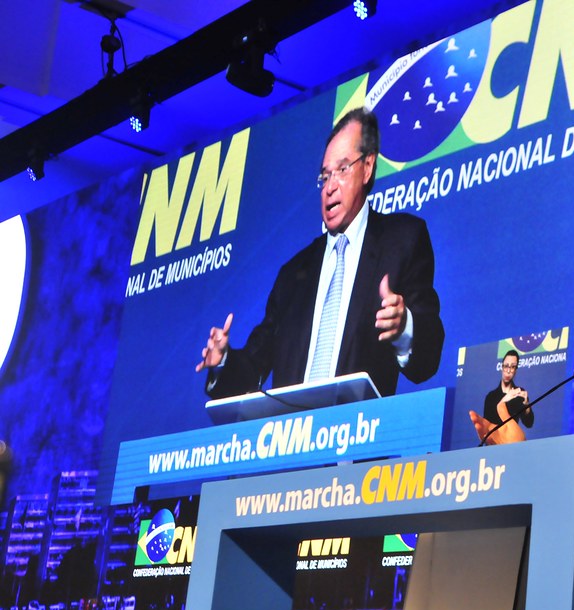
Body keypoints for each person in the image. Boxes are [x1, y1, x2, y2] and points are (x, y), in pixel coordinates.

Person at [196, 107, 444, 397]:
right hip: (291, 435)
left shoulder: (402, 241)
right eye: (324, 176)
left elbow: (428, 359)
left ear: (367, 167)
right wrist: (224, 362)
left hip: (359, 431)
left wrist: (404, 328)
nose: (329, 187)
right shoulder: (293, 275)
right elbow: (255, 366)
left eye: (342, 169)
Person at [482, 350, 534, 429]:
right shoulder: (491, 396)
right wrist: (504, 400)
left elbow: (529, 423)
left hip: (512, 439)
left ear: (516, 370)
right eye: (506, 366)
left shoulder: (519, 394)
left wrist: (527, 405)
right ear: (501, 367)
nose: (508, 371)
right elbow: (487, 427)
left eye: (512, 367)